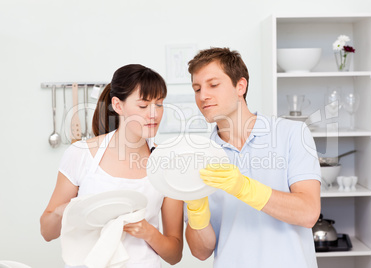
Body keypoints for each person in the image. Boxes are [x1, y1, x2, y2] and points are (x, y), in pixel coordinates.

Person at [184, 48, 321, 267]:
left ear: (240, 86)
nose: (203, 96)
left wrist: (244, 188)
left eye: (213, 85)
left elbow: (308, 213)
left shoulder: (291, 134)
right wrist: (196, 211)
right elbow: (201, 252)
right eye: (197, 88)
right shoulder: (200, 156)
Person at [40, 64, 184, 267]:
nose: (154, 114)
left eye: (159, 104)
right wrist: (65, 210)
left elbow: (174, 254)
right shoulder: (81, 154)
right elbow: (47, 232)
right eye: (143, 106)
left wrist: (149, 232)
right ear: (118, 105)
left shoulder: (168, 164)